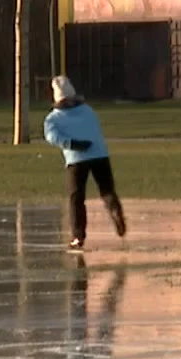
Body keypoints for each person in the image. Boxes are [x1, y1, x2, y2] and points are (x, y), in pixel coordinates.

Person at [43, 75, 127, 251]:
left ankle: (77, 236)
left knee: (76, 198)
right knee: (107, 190)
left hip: (76, 159)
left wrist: (71, 144)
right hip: (100, 155)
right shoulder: (88, 110)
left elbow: (51, 136)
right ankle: (115, 211)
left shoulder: (53, 118)